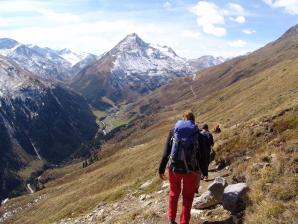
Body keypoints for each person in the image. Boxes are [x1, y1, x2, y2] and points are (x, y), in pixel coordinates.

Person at [159, 111, 208, 224]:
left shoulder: (173, 131)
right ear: (193, 121)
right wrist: (205, 172)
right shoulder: (198, 135)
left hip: (174, 169)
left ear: (183, 119)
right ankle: (184, 221)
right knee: (188, 196)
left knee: (173, 193)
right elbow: (202, 156)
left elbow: (166, 152)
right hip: (191, 171)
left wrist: (161, 169)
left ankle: (171, 218)